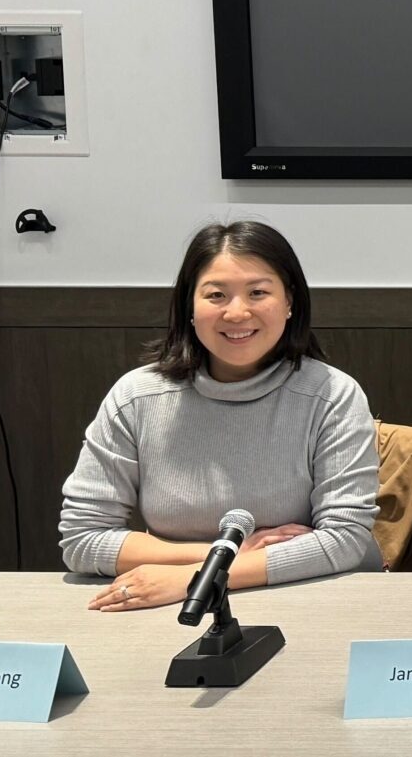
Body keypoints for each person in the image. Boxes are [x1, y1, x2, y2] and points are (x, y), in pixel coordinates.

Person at [61, 221, 379, 611]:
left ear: (290, 302)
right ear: (189, 307)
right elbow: (83, 538)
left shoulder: (332, 395)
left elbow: (344, 540)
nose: (237, 312)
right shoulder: (136, 397)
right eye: (216, 295)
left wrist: (198, 578)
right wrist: (222, 554)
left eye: (258, 292)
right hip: (167, 601)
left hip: (310, 598)